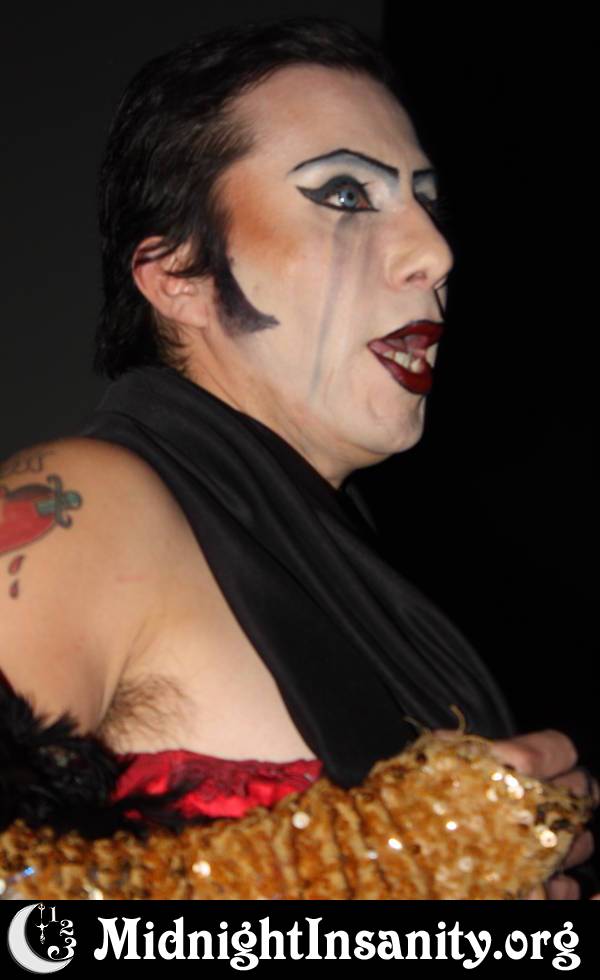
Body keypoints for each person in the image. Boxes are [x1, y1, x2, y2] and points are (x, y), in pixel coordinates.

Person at [0, 18, 594, 898]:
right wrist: (360, 878)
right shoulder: (85, 502)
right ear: (179, 275)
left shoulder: (363, 571)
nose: (435, 253)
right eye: (346, 195)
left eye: (428, 202)